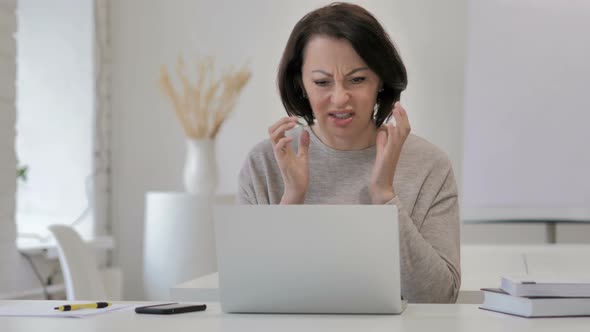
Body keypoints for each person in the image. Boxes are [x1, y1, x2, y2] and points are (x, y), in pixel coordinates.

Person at [237, 2, 460, 303]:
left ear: (380, 80)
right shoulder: (264, 163)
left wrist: (384, 195)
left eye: (357, 79)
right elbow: (249, 295)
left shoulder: (430, 166)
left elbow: (440, 297)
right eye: (322, 82)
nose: (340, 98)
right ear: (300, 84)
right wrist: (291, 200)